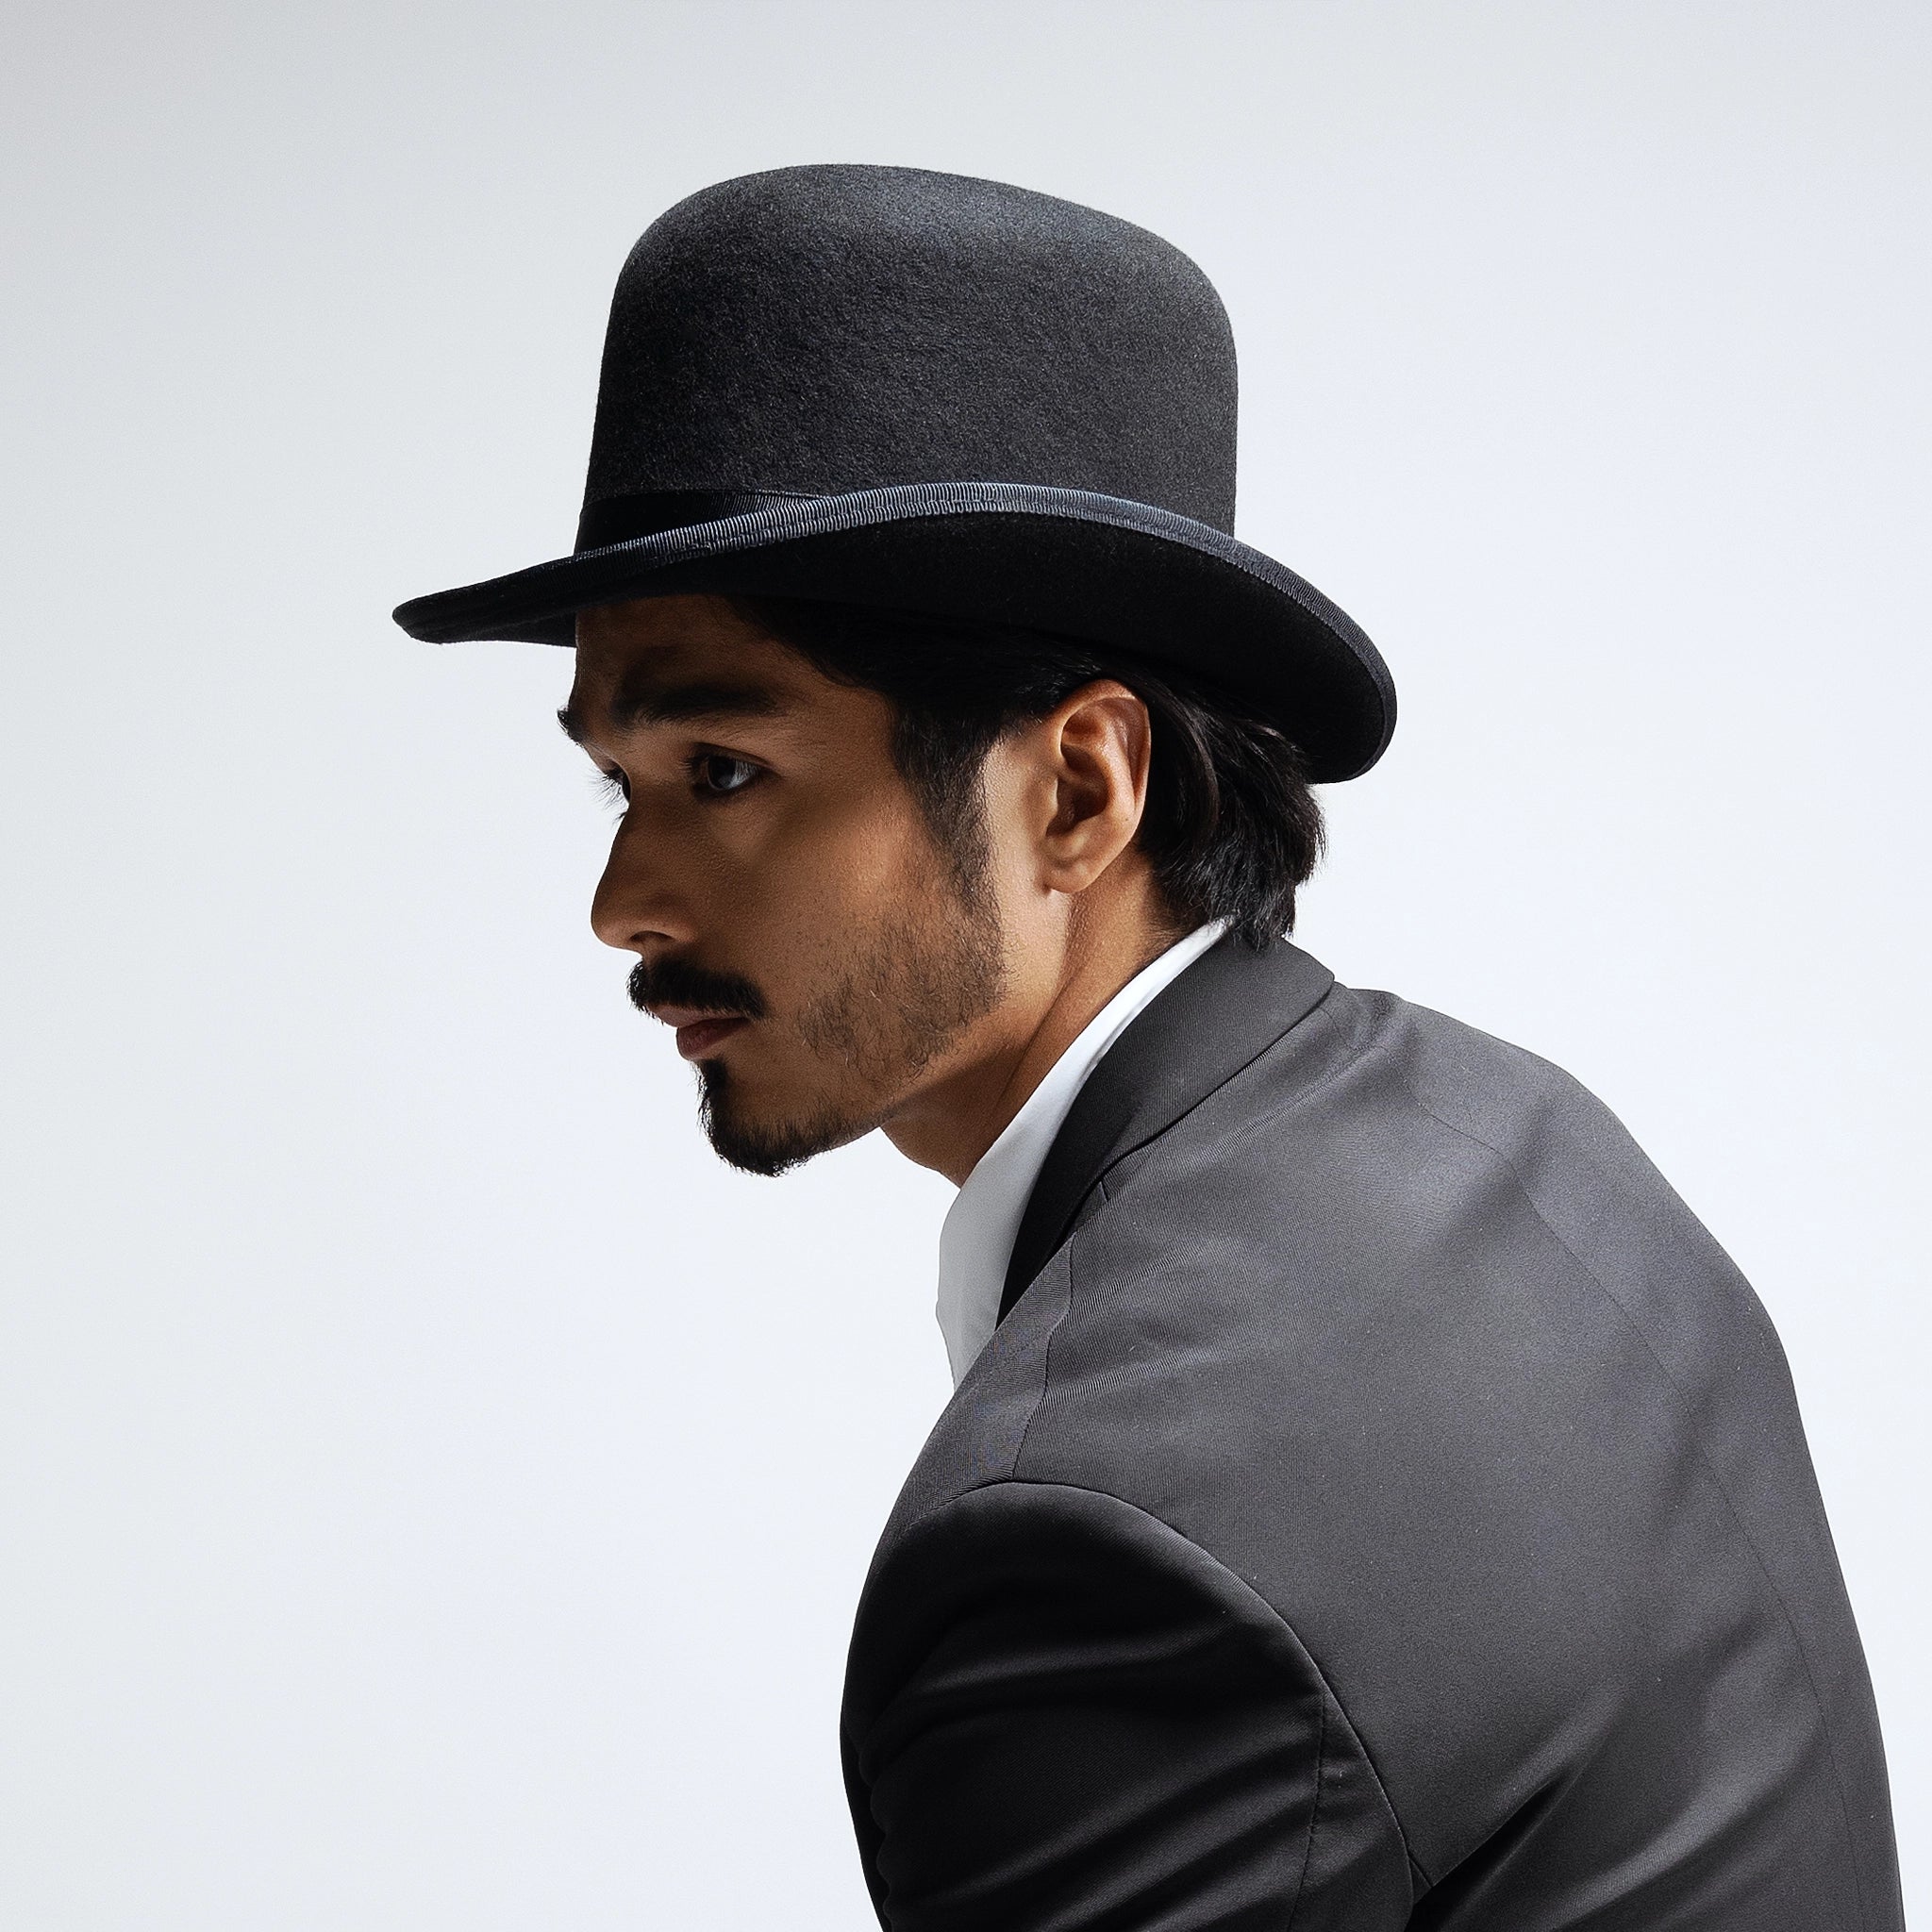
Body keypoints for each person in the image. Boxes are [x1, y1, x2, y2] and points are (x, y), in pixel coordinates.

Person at [394, 165, 1903, 1929]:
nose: (622, 905)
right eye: (618, 784)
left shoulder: (1095, 1540)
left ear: (1079, 789)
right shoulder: (1515, 1140)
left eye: (722, 771)